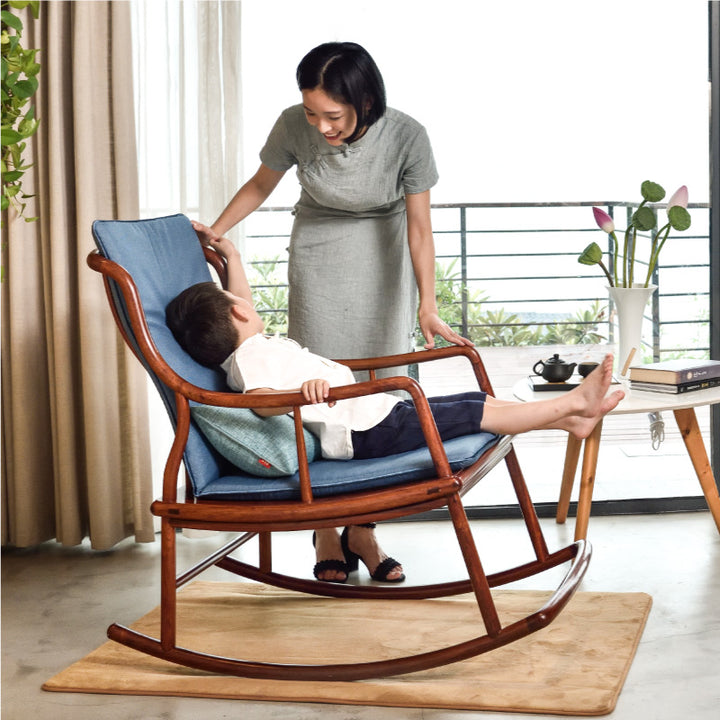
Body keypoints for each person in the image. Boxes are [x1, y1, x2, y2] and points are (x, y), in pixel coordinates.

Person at [166, 236, 626, 584]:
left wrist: (234, 259)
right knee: (473, 410)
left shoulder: (249, 346)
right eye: (238, 302)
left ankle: (570, 419)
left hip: (374, 415)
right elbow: (258, 404)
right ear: (240, 314)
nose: (244, 301)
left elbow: (238, 309)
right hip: (368, 431)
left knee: (472, 405)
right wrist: (299, 394)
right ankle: (571, 403)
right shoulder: (251, 359)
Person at [192, 41, 471, 583]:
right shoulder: (294, 125)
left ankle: (363, 529)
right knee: (316, 389)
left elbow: (419, 229)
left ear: (365, 101)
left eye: (333, 116)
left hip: (383, 258)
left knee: (381, 392)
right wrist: (216, 232)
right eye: (312, 113)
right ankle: (324, 527)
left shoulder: (408, 135)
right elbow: (260, 184)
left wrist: (428, 305)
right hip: (319, 253)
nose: (321, 126)